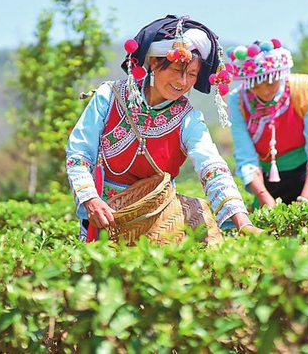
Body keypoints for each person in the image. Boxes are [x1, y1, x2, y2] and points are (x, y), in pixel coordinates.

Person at [66, 15, 259, 241]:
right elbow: (79, 152)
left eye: (192, 74)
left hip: (159, 223)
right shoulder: (109, 97)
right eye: (177, 70)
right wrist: (91, 200)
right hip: (104, 218)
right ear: (155, 63)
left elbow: (212, 166)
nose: (183, 81)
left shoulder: (188, 119)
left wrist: (243, 222)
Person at [226, 39, 308, 207]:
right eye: (256, 85)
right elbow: (246, 157)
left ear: (280, 74)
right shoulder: (238, 100)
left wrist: (305, 203)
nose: (264, 90)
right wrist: (264, 197)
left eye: (270, 81)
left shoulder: (304, 88)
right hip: (269, 178)